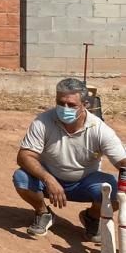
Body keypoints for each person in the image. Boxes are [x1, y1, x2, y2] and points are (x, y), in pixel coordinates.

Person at [13, 77, 126, 239]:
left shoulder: (100, 130)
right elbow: (24, 156)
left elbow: (122, 161)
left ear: (85, 104)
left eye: (71, 105)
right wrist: (48, 179)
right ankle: (43, 213)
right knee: (21, 178)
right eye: (61, 103)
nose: (65, 108)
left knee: (115, 191)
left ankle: (91, 217)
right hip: (48, 181)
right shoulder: (43, 122)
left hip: (85, 182)